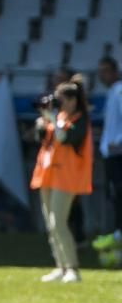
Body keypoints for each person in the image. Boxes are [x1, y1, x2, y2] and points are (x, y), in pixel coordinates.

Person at [30, 80, 93, 283]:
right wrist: (44, 120)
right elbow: (41, 137)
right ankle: (60, 265)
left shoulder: (80, 119)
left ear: (73, 100)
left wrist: (53, 120)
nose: (59, 103)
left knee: (59, 222)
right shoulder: (59, 116)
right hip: (48, 175)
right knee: (50, 223)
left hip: (66, 177)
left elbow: (67, 138)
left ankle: (72, 268)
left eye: (62, 100)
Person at [93, 56, 122, 252]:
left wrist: (118, 142)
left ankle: (119, 235)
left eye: (105, 70)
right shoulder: (113, 92)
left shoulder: (120, 91)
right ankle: (118, 234)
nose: (102, 75)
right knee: (114, 195)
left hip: (118, 153)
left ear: (114, 71)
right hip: (110, 153)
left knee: (119, 194)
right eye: (100, 71)